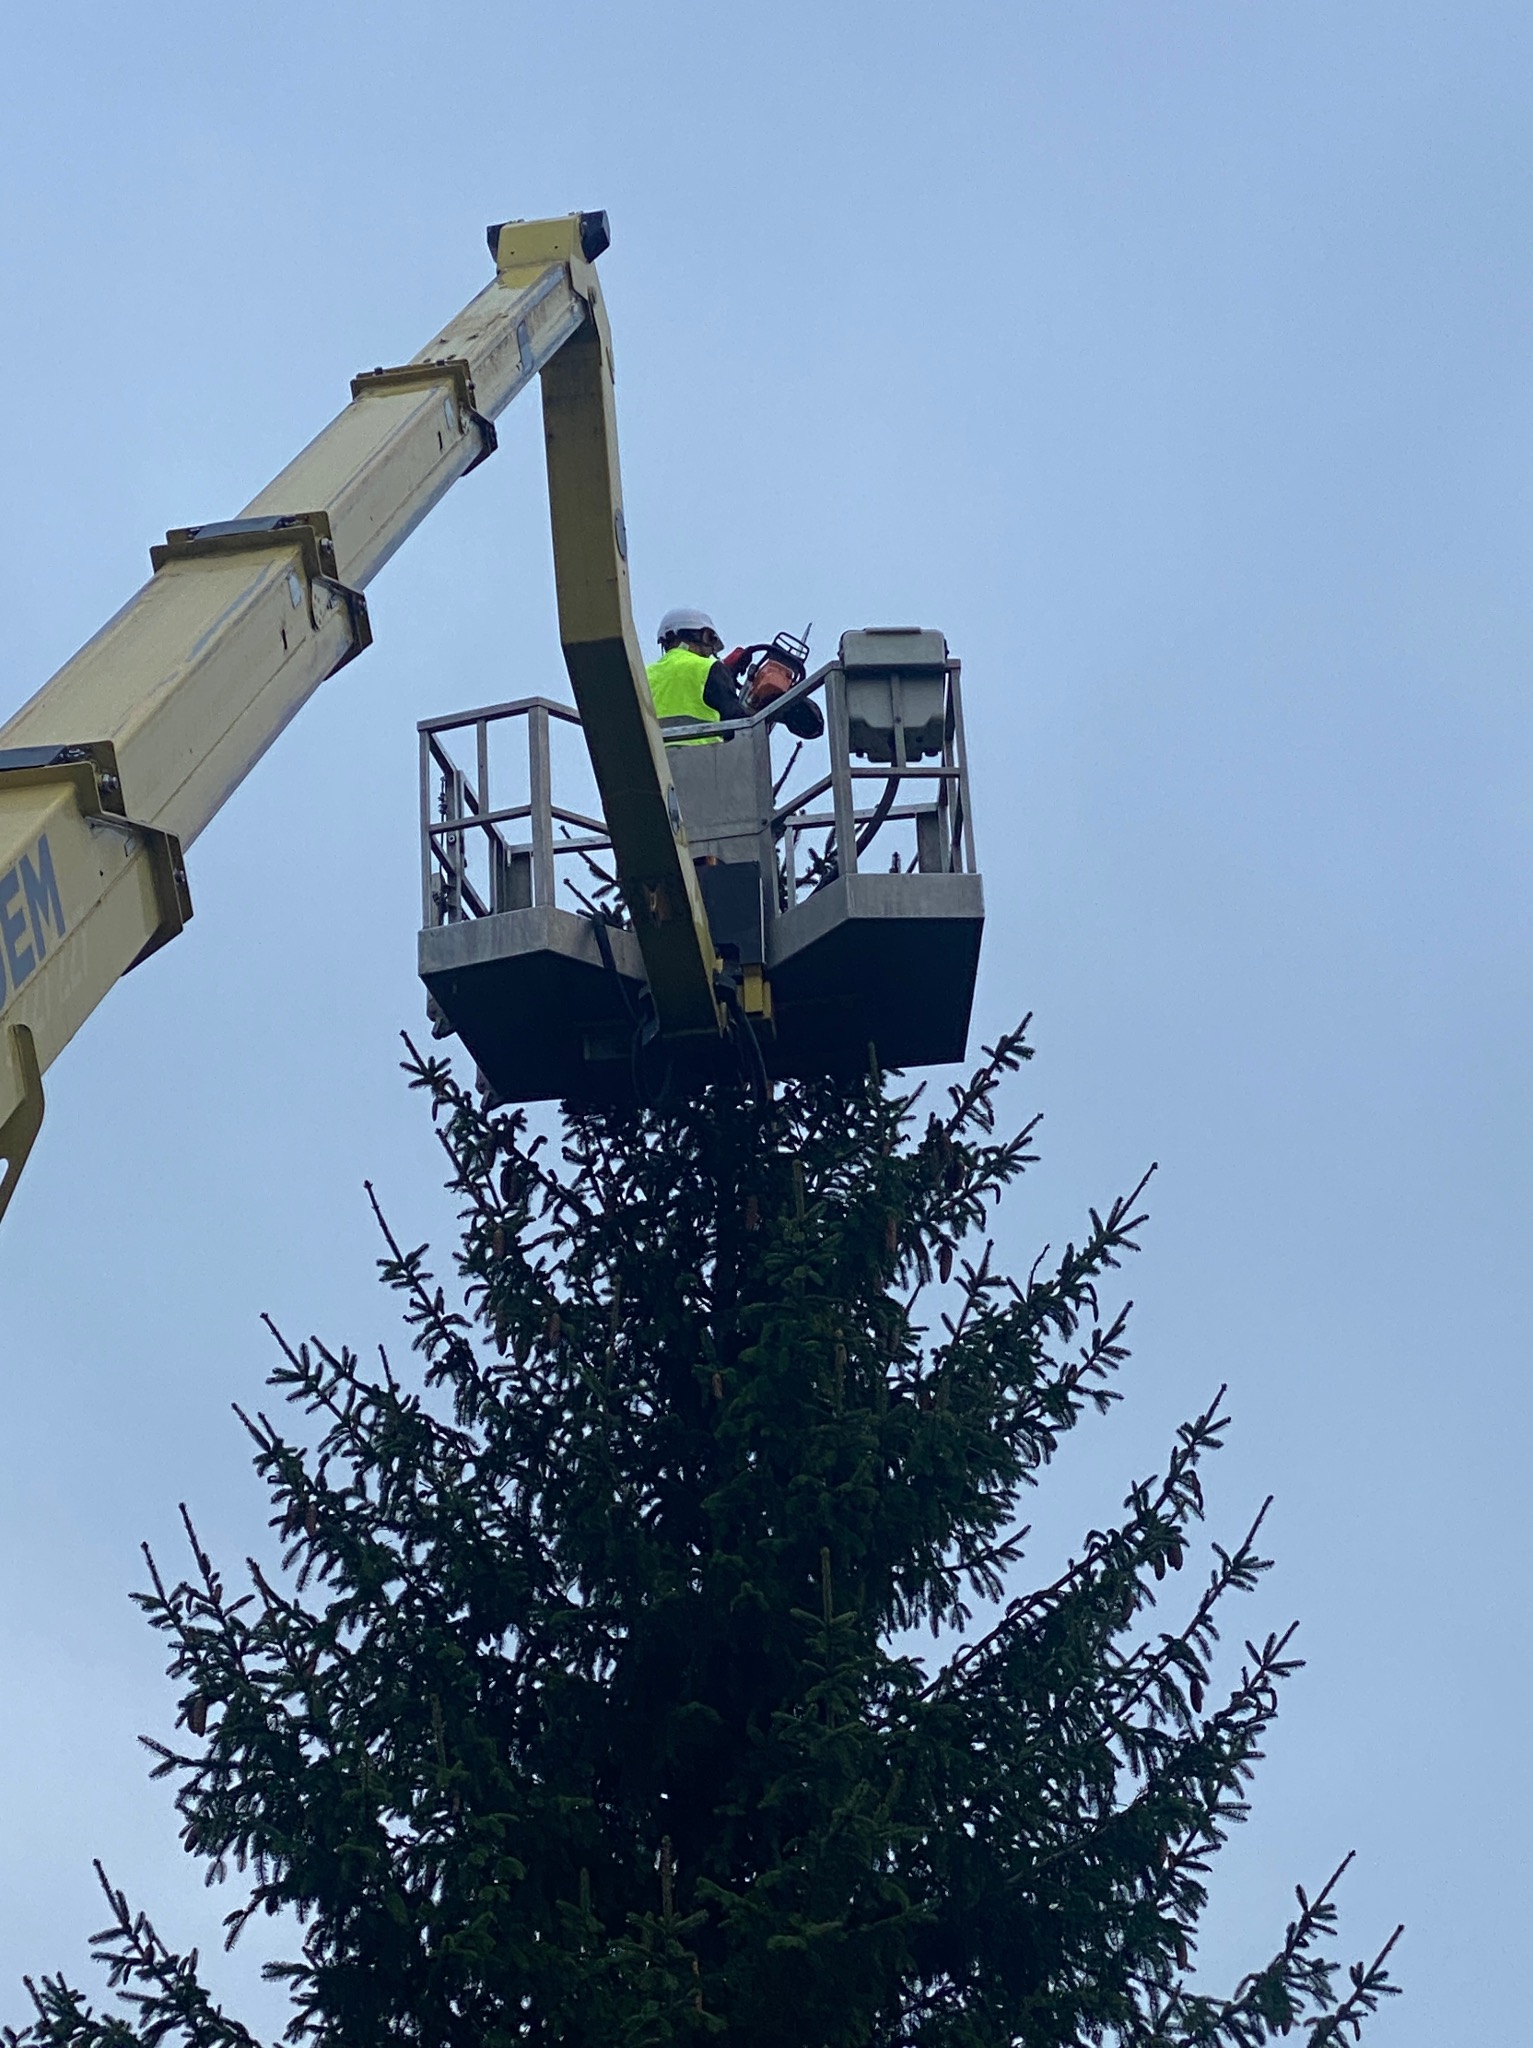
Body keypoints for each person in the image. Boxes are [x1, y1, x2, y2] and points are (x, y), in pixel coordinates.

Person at [646, 607, 824, 743]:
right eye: (711, 642)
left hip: (652, 765)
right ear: (705, 636)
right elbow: (738, 726)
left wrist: (728, 676)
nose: (711, 652)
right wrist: (760, 704)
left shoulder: (645, 674)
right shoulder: (708, 668)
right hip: (703, 764)